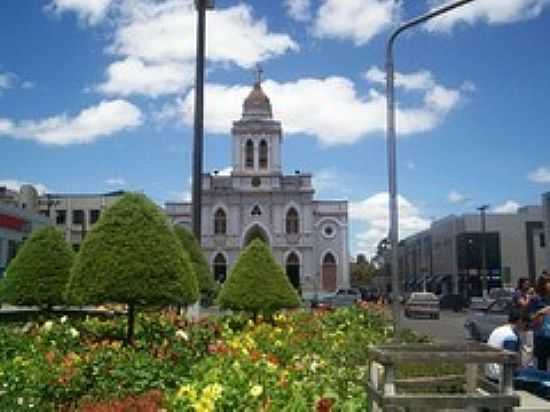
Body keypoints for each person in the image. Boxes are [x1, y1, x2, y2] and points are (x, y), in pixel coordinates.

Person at [485, 307, 530, 382]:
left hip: (490, 372)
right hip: (501, 377)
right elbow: (510, 362)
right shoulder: (511, 337)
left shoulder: (498, 329)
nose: (525, 328)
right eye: (526, 325)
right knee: (542, 377)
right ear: (520, 321)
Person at [528, 275, 550, 371]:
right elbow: (529, 318)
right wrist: (540, 313)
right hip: (542, 336)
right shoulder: (535, 300)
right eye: (548, 282)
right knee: (542, 364)